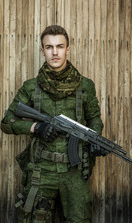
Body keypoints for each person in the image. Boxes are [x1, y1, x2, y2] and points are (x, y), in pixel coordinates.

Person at [1, 25, 104, 223]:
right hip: (41, 169)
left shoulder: (85, 86)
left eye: (59, 46)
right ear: (42, 51)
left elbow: (94, 119)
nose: (54, 52)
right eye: (49, 47)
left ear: (68, 49)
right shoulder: (31, 87)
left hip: (75, 171)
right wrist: (35, 128)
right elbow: (7, 121)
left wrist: (95, 138)